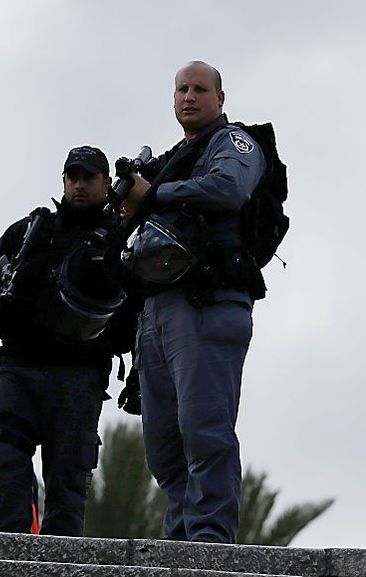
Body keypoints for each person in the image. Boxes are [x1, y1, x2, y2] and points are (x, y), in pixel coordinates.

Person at [120, 61, 267, 543]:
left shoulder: (235, 143)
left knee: (204, 431)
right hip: (159, 308)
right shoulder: (169, 159)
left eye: (200, 89)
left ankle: (208, 545)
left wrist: (153, 195)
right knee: (164, 446)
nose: (189, 96)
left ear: (220, 99)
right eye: (181, 89)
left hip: (208, 303)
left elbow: (229, 188)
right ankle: (182, 541)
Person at [0, 146, 134, 536]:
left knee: (67, 483)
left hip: (78, 376)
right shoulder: (33, 230)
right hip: (17, 368)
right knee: (3, 463)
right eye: (72, 176)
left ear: (106, 183)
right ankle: (8, 562)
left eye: (88, 177)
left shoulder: (119, 238)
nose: (79, 184)